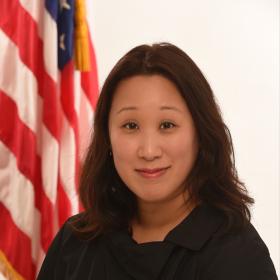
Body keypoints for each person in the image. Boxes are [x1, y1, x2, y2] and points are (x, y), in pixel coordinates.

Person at [37, 42, 278, 280]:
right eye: (130, 126)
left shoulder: (237, 256)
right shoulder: (74, 243)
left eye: (167, 125)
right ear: (107, 137)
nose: (149, 151)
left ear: (201, 134)